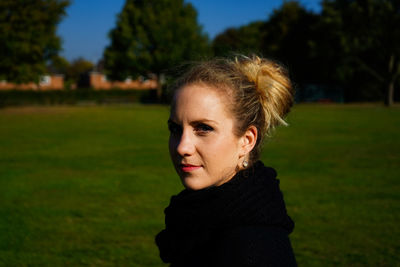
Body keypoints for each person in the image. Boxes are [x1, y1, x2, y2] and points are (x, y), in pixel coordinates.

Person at [155, 55, 297, 266]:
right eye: (175, 129)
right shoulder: (199, 217)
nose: (182, 147)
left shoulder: (252, 247)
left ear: (246, 141)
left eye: (204, 128)